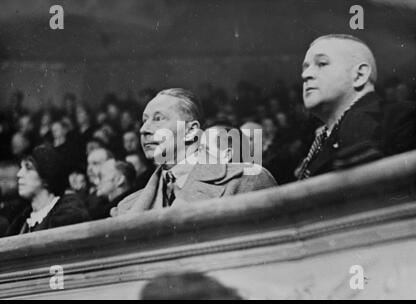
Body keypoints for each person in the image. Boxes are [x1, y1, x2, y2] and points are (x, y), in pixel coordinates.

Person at [111, 88, 277, 217]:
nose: (143, 129)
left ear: (191, 131)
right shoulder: (126, 208)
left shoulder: (248, 181)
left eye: (158, 118)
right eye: (144, 120)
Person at [296, 34, 416, 179]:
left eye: (322, 63)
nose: (305, 75)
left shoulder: (405, 117)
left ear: (360, 75)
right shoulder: (319, 141)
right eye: (305, 68)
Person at [4, 145, 90, 236]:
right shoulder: (20, 223)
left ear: (46, 176)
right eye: (21, 168)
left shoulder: (69, 214)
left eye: (28, 168)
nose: (19, 174)